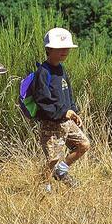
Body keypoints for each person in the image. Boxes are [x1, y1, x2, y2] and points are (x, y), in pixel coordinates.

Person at [30, 27, 91, 189]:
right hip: (51, 124)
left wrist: (73, 110)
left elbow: (68, 92)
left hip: (66, 121)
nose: (64, 51)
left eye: (66, 48)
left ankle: (61, 172)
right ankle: (44, 189)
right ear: (49, 49)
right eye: (60, 48)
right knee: (52, 159)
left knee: (84, 144)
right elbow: (42, 100)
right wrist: (64, 112)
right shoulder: (43, 72)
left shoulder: (61, 69)